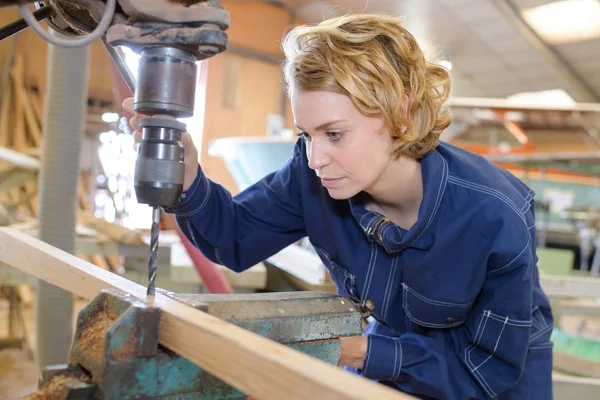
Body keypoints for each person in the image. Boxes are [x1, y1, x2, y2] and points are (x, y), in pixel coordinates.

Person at [126, 13, 553, 400]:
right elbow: (234, 237)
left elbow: (487, 368)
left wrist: (360, 349)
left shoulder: (495, 215)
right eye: (307, 134)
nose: (315, 158)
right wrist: (190, 179)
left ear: (399, 114)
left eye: (334, 134)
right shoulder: (313, 175)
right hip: (393, 359)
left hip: (499, 380)